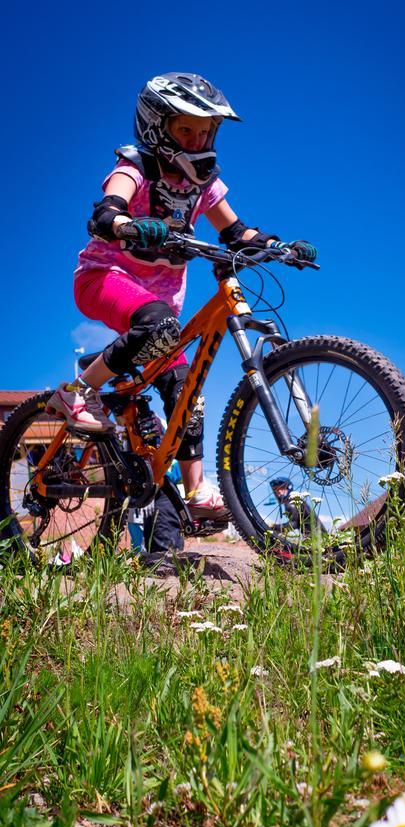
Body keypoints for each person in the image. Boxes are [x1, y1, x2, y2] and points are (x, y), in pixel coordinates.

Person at [46, 72, 317, 522]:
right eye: (184, 128)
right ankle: (76, 392)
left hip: (160, 304)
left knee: (184, 386)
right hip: (103, 278)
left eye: (205, 130)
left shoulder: (204, 185)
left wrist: (276, 247)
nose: (196, 139)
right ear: (157, 126)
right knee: (157, 325)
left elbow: (234, 230)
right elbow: (108, 207)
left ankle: (196, 489)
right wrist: (120, 221)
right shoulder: (135, 167)